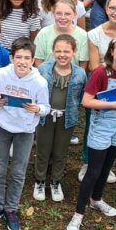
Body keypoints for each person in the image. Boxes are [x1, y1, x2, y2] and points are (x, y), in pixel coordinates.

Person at [68, 35, 116, 230]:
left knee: (108, 167)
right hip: (101, 125)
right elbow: (86, 101)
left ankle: (96, 199)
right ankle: (78, 214)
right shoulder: (100, 72)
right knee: (93, 171)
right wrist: (112, 105)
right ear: (112, 52)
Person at [33, 34, 87, 203]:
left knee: (60, 151)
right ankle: (40, 181)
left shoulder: (80, 74)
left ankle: (56, 181)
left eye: (66, 51)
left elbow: (82, 96)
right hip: (45, 117)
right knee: (43, 149)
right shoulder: (43, 69)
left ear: (74, 52)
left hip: (66, 118)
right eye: (58, 51)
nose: (62, 55)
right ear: (53, 51)